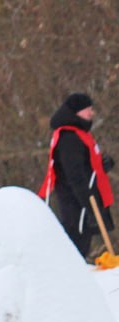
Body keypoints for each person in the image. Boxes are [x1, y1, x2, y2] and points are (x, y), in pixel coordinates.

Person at [38, 92, 114, 259]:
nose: (91, 113)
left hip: (83, 200)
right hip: (76, 201)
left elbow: (86, 165)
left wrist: (102, 165)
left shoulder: (79, 135)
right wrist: (88, 205)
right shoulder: (69, 138)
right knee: (76, 246)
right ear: (77, 112)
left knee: (83, 243)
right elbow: (74, 174)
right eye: (88, 109)